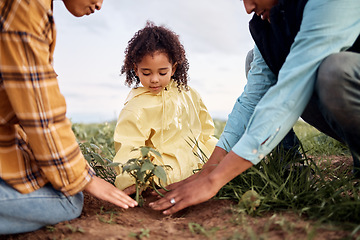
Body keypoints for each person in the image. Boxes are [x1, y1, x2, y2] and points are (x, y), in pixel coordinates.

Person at [149, 0, 360, 215]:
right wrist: (208, 172)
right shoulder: (271, 22)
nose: (248, 7)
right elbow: (252, 99)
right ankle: (289, 168)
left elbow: (292, 88)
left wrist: (215, 181)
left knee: (336, 72)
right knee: (256, 59)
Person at [0, 0, 137, 235]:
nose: (99, 5)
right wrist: (85, 179)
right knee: (68, 201)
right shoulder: (27, 8)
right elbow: (40, 110)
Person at [113, 21, 217, 194]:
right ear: (136, 69)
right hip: (163, 176)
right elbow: (129, 147)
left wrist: (214, 162)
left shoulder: (189, 94)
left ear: (173, 68)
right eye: (146, 73)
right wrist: (133, 180)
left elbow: (206, 132)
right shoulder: (136, 107)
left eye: (162, 73)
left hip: (197, 168)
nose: (154, 79)